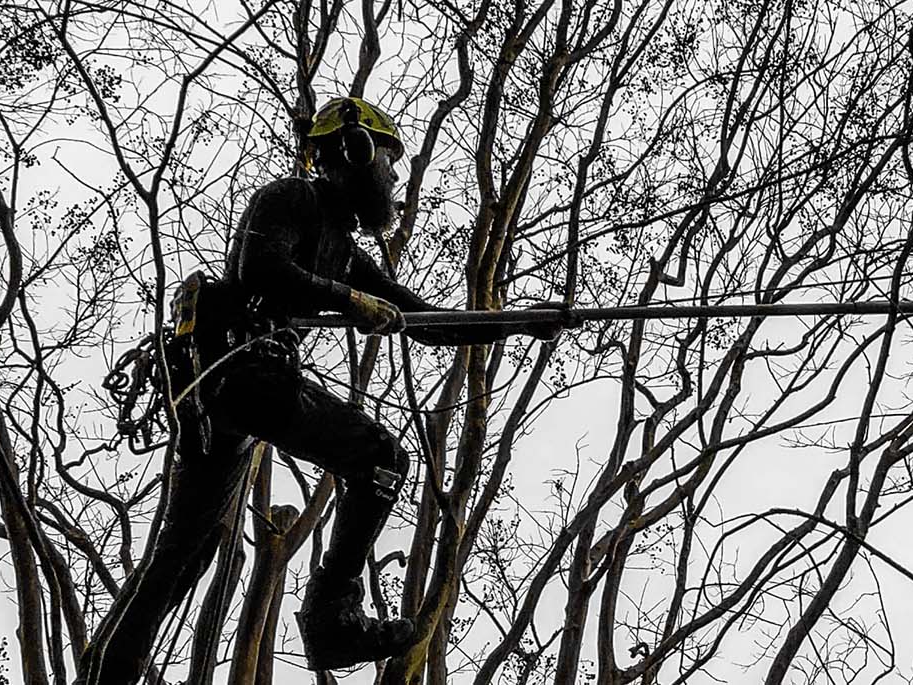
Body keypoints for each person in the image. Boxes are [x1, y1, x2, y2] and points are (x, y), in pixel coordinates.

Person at [80, 97, 566, 683]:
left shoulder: (345, 251)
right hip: (238, 375)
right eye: (389, 161)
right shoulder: (291, 198)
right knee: (381, 457)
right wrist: (349, 300)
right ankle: (330, 617)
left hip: (228, 398)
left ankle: (106, 672)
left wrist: (519, 321)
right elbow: (260, 268)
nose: (394, 178)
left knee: (185, 553)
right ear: (355, 151)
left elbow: (425, 322)